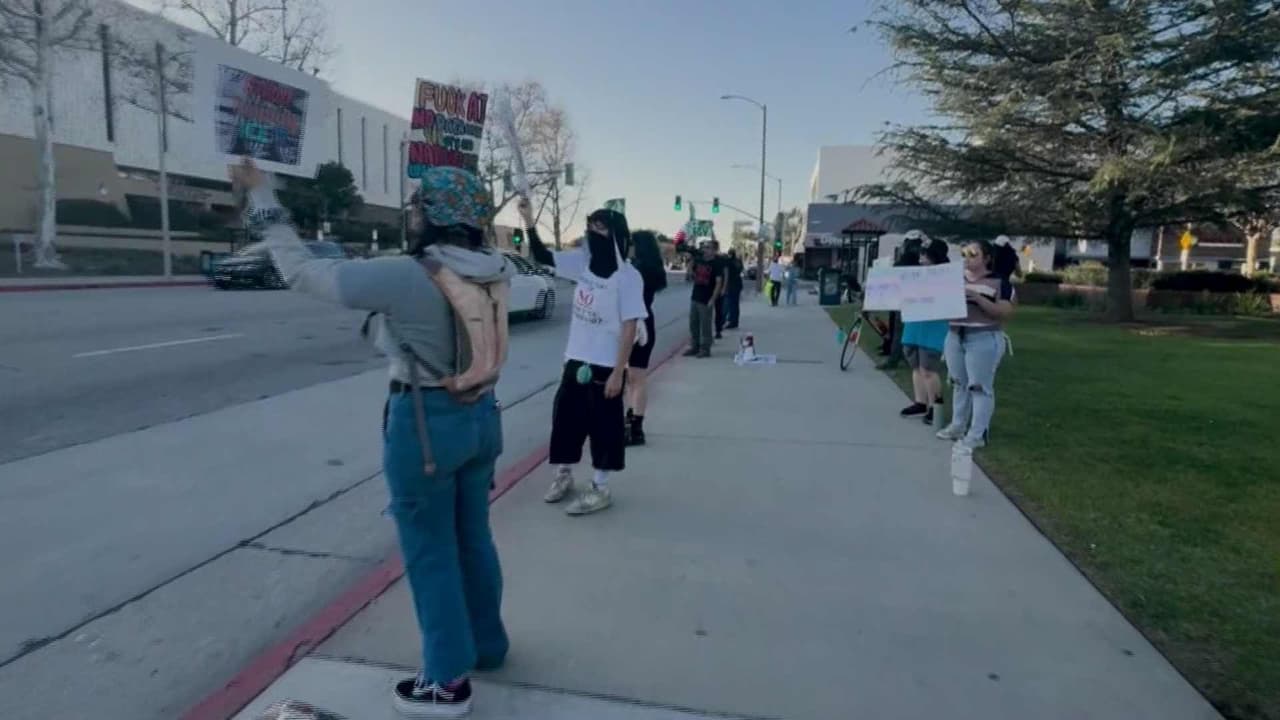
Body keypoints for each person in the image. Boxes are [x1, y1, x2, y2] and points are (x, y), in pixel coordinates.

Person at [232, 159, 512, 718]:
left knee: (430, 549)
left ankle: (446, 682)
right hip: (482, 416)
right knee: (473, 537)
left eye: (416, 208)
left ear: (431, 215)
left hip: (426, 424)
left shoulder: (409, 273)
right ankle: (487, 646)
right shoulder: (496, 267)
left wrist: (264, 200)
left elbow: (304, 274)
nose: (411, 217)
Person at [518, 198, 648, 515]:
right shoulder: (582, 262)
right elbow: (543, 255)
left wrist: (620, 371)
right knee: (565, 422)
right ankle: (563, 475)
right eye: (590, 227)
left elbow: (630, 325)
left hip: (606, 364)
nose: (592, 233)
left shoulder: (628, 277)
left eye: (600, 228)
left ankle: (601, 487)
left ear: (615, 235)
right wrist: (529, 221)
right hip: (575, 358)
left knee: (604, 428)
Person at [936, 238, 1017, 450]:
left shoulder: (999, 282)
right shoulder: (953, 279)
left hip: (982, 336)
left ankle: (977, 433)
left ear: (987, 258)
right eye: (964, 255)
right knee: (958, 383)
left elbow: (1005, 312)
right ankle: (957, 425)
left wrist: (977, 297)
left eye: (974, 255)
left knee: (979, 387)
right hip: (955, 335)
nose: (968, 259)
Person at [899, 239, 950, 425]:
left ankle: (935, 406)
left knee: (928, 367)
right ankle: (920, 402)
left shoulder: (945, 277)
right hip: (914, 321)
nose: (921, 258)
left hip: (933, 324)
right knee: (915, 364)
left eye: (925, 254)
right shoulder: (915, 274)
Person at [625, 230, 667, 446]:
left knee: (633, 379)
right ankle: (634, 423)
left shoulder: (634, 269)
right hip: (646, 321)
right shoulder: (652, 269)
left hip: (633, 323)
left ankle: (633, 425)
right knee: (637, 378)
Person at [685, 240, 725, 358]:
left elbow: (719, 283)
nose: (705, 250)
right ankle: (694, 346)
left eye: (708, 248)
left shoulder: (717, 264)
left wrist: (713, 299)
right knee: (693, 324)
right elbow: (690, 274)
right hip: (695, 296)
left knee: (705, 326)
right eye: (704, 247)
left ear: (714, 250)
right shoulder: (699, 260)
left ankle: (705, 349)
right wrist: (691, 261)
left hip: (706, 298)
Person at [722, 248, 744, 330]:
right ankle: (735, 321)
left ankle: (731, 321)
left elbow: (726, 274)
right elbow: (741, 269)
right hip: (738, 285)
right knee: (735, 304)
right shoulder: (738, 261)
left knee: (730, 304)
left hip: (731, 285)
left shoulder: (728, 262)